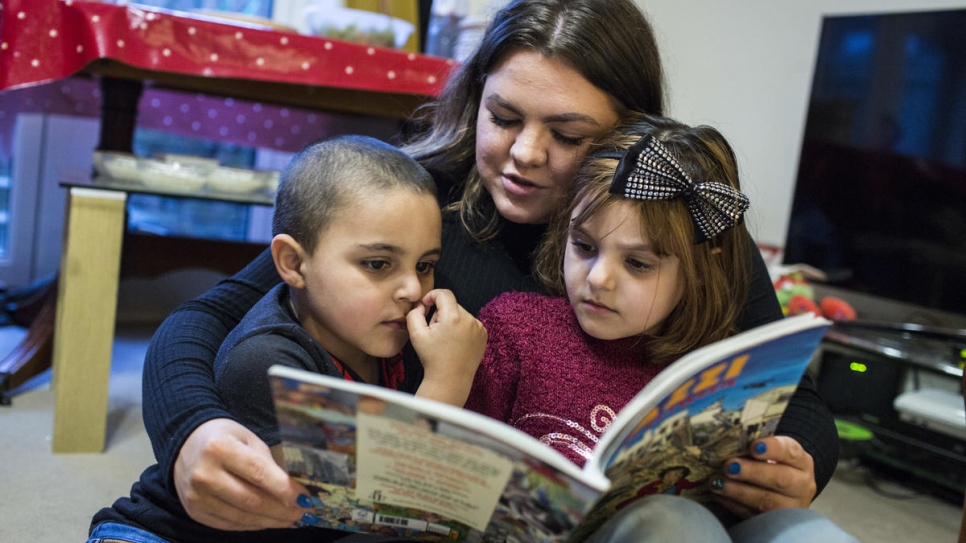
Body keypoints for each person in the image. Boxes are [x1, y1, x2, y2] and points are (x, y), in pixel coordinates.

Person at [139, 0, 838, 534]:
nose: (524, 154)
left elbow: (795, 398)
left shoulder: (686, 224)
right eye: (503, 117)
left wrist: (793, 459)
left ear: (628, 135)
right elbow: (209, 317)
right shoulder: (412, 202)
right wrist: (190, 430)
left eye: (567, 134)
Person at [465, 114, 856, 542]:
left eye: (637, 263)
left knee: (806, 531)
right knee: (674, 523)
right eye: (584, 246)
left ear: (698, 272)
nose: (598, 278)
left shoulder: (720, 366)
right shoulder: (514, 330)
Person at [88, 136, 487, 542]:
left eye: (424, 265)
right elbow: (379, 503)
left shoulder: (384, 335)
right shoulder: (266, 362)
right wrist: (446, 383)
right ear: (293, 263)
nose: (410, 289)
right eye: (377, 264)